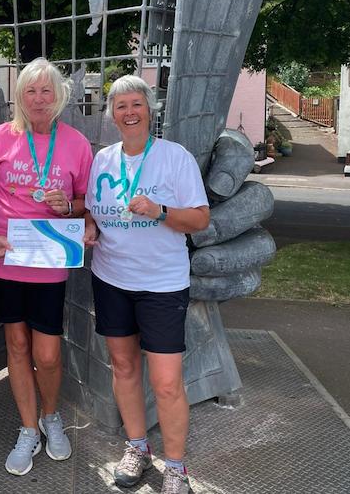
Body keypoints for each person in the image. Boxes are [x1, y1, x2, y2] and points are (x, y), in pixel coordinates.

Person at [83, 75, 210, 494]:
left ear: (150, 109)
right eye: (121, 106)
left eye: (136, 104)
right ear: (112, 115)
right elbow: (91, 212)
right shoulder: (102, 160)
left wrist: (159, 211)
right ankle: (137, 447)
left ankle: (175, 467)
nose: (129, 112)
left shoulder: (175, 158)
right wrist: (87, 227)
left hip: (161, 284)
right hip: (111, 278)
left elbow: (199, 219)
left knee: (168, 381)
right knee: (122, 367)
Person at [0, 58, 93, 475]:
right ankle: (28, 429)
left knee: (46, 354)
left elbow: (86, 203)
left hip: (48, 263)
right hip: (6, 261)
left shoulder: (77, 144)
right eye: (31, 91)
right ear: (20, 97)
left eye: (47, 91)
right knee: (17, 346)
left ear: (60, 96)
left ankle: (51, 417)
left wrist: (69, 207)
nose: (39, 99)